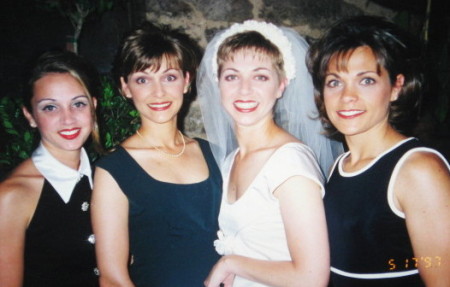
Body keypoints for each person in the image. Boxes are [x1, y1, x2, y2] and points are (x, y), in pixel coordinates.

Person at [197, 20, 343, 287]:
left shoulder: (289, 163)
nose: (244, 89)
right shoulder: (232, 160)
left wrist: (230, 263)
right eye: (232, 76)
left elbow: (312, 279)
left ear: (281, 85)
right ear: (218, 84)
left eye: (260, 76)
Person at [307, 15, 450, 287]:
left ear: (396, 87)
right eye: (334, 82)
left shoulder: (418, 169)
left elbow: (441, 273)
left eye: (367, 80)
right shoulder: (340, 165)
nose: (347, 96)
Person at [91, 22, 222, 287]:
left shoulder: (216, 154)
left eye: (169, 77)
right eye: (142, 80)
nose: (158, 91)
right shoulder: (114, 170)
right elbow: (113, 278)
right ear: (125, 87)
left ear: (186, 81)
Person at [0, 50, 101, 287]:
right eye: (50, 107)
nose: (68, 119)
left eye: (78, 103)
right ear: (30, 115)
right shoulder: (12, 195)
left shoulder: (106, 176)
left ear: (93, 107)